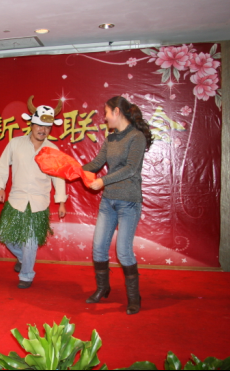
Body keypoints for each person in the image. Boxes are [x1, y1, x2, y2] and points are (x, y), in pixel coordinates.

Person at [82, 96, 152, 315]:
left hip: (129, 202)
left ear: (117, 112)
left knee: (123, 251)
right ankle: (103, 288)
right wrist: (71, 168)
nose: (104, 117)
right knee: (98, 247)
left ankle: (134, 297)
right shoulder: (110, 138)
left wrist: (103, 181)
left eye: (106, 112)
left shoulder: (136, 137)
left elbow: (130, 168)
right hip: (108, 202)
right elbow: (96, 163)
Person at [0, 96, 67, 289]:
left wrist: (61, 201)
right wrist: (0, 187)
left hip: (38, 202)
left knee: (31, 242)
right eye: (39, 125)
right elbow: (2, 165)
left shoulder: (52, 150)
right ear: (32, 124)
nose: (43, 130)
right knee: (5, 236)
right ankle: (22, 258)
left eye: (47, 127)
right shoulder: (15, 143)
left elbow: (59, 176)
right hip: (16, 200)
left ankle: (26, 275)